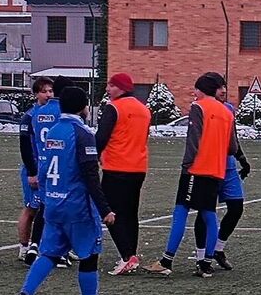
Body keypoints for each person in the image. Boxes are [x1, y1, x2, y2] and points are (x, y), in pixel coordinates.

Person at [11, 87, 117, 295]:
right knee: (89, 255)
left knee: (48, 254)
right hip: (77, 206)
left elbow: (43, 167)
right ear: (83, 107)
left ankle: (25, 294)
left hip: (53, 204)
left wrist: (47, 197)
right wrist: (105, 209)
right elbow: (90, 175)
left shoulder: (54, 131)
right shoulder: (83, 133)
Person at [144, 73, 238, 278]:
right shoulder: (227, 112)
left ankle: (166, 261)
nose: (194, 93)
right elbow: (232, 147)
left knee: (181, 211)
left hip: (196, 169)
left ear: (203, 90)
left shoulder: (199, 107)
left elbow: (193, 140)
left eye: (196, 89)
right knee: (209, 214)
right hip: (216, 170)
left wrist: (187, 165)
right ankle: (206, 264)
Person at [193, 73, 251, 270]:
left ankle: (218, 249)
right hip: (209, 169)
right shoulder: (200, 108)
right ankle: (201, 257)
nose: (223, 90)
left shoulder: (228, 109)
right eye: (219, 87)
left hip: (229, 168)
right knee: (205, 212)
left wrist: (242, 159)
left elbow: (232, 138)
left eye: (224, 86)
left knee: (236, 208)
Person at [96, 72, 151, 275]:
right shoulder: (144, 109)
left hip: (116, 166)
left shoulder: (114, 108)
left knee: (109, 212)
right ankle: (130, 254)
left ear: (121, 88)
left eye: (111, 85)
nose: (107, 89)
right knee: (130, 213)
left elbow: (101, 137)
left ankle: (128, 256)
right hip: (138, 167)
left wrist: (94, 156)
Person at [24, 75, 73, 266]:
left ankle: (34, 245)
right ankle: (59, 252)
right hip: (61, 165)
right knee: (63, 208)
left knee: (45, 207)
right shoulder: (64, 112)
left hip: (43, 165)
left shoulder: (38, 113)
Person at [17, 77, 53, 261]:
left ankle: (53, 247)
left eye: (51, 91)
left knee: (50, 209)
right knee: (32, 209)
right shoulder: (30, 116)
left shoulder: (55, 113)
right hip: (35, 169)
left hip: (50, 170)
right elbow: (24, 147)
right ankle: (24, 247)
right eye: (44, 91)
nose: (48, 95)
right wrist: (32, 172)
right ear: (36, 94)